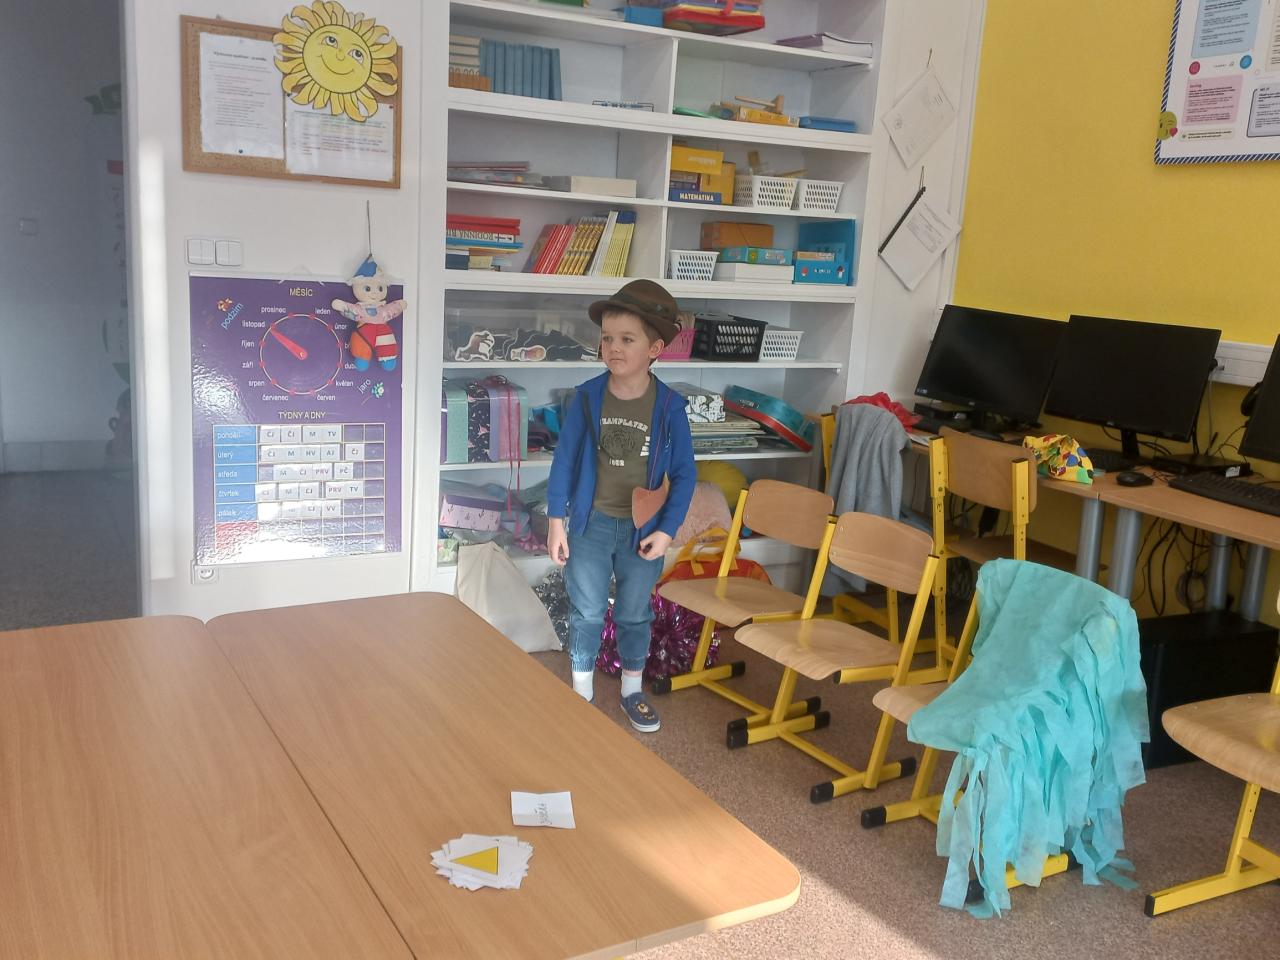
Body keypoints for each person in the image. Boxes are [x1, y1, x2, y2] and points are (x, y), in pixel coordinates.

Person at [546, 280, 696, 732]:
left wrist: (666, 531)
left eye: (627, 339)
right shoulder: (588, 397)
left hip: (642, 530)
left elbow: (685, 476)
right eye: (607, 337)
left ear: (655, 348)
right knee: (587, 610)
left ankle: (632, 689)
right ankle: (581, 688)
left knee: (634, 612)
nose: (613, 347)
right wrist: (556, 521)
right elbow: (564, 461)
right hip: (590, 525)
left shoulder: (669, 407)